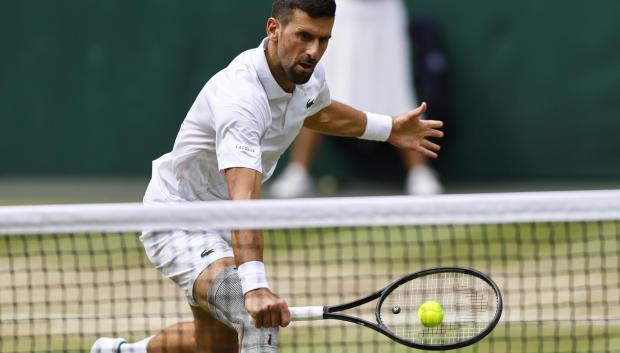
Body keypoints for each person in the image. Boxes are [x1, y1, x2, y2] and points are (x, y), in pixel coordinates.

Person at [91, 1, 443, 352]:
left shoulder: (306, 72)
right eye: (304, 36)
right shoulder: (241, 100)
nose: (313, 51)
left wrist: (387, 128)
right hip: (179, 220)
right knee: (255, 320)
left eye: (323, 40)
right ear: (273, 29)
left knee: (214, 345)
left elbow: (317, 110)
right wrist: (255, 286)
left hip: (222, 221)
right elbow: (243, 203)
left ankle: (123, 351)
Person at [269, 0, 443, 198]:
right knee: (318, 95)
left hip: (385, 14)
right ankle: (298, 171)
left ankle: (419, 172)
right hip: (344, 11)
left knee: (396, 90)